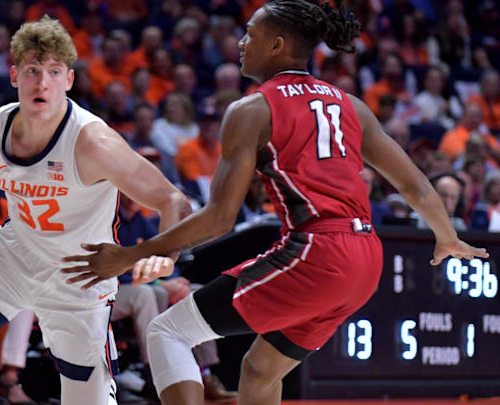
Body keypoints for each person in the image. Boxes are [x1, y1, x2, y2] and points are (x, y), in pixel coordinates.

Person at [60, 2, 489, 405]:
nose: (242, 42)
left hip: (317, 253)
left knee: (168, 332)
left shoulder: (252, 110)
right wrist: (447, 237)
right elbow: (414, 184)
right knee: (260, 369)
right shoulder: (352, 105)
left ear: (277, 44)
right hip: (367, 258)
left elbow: (220, 218)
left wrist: (132, 254)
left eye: (250, 33)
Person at [0, 16, 190, 405]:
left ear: (69, 80)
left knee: (84, 398)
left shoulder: (94, 143)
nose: (42, 83)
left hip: (80, 275)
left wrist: (165, 255)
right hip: (13, 259)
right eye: (33, 71)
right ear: (15, 75)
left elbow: (174, 200)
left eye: (54, 72)